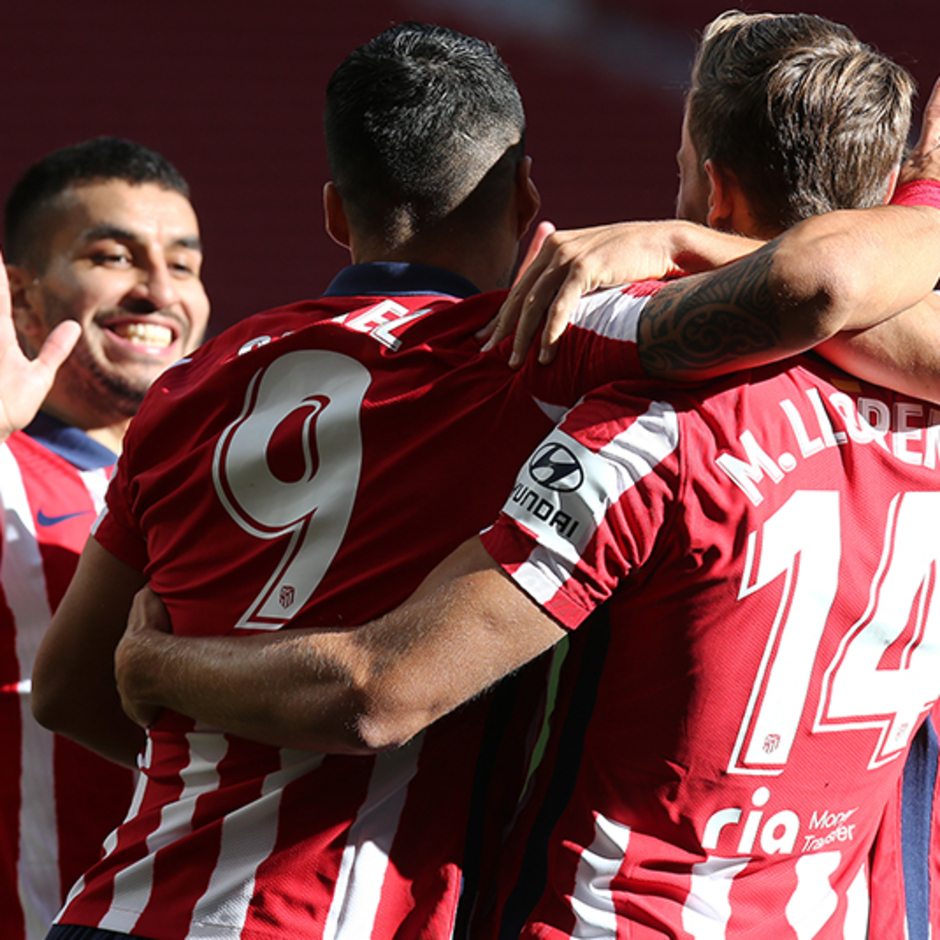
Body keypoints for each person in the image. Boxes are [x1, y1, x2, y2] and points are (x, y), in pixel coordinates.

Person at [94, 13, 940, 939]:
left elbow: (380, 691)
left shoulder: (633, 415)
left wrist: (159, 665)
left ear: (713, 188)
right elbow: (816, 289)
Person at [0, 137, 210, 940]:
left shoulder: (234, 482)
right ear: (21, 295)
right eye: (114, 256)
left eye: (184, 265)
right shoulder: (10, 466)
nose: (158, 291)